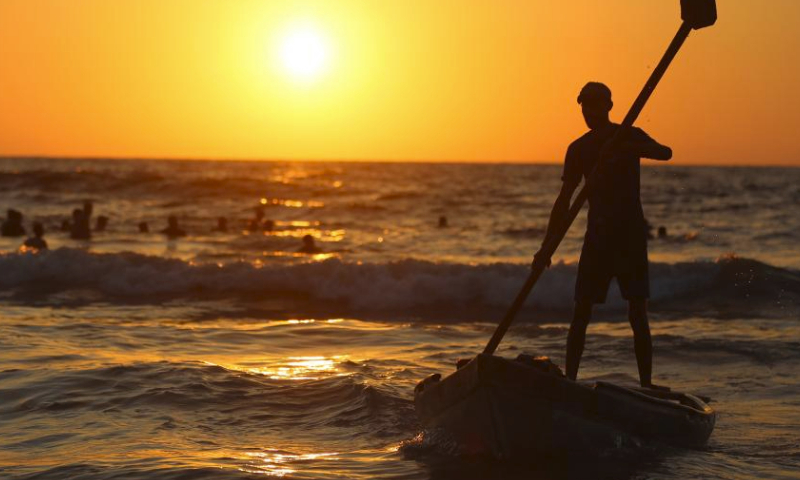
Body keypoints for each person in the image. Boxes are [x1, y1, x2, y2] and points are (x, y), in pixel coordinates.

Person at [535, 82, 672, 389]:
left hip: (630, 235)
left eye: (595, 105)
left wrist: (626, 148)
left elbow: (665, 152)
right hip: (598, 236)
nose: (589, 112)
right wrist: (547, 246)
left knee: (637, 311)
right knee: (581, 310)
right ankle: (570, 381)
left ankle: (646, 385)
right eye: (585, 106)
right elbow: (564, 198)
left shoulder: (628, 134)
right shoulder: (579, 148)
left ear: (609, 106)